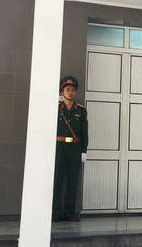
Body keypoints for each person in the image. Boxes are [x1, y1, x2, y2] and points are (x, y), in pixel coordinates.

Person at [52, 76, 88, 222]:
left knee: (73, 182)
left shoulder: (81, 110)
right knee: (57, 181)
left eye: (73, 90)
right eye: (68, 89)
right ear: (62, 92)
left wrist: (84, 150)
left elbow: (85, 132)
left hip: (74, 149)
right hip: (59, 148)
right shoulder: (56, 109)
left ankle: (69, 212)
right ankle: (56, 212)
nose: (71, 92)